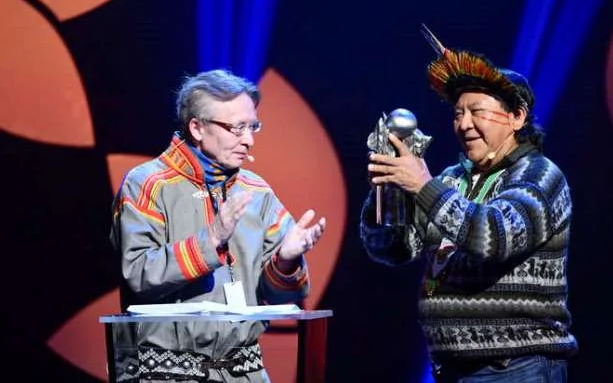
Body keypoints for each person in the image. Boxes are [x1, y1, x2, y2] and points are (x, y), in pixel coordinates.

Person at [360, 27, 577, 382]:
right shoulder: (450, 180)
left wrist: (423, 185)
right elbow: (394, 249)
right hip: (452, 370)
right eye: (457, 113)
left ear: (517, 116)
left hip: (515, 369)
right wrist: (388, 192)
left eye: (476, 111)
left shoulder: (540, 176)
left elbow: (493, 237)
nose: (464, 124)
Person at [110, 69, 326, 382]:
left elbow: (280, 296)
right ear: (197, 128)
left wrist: (286, 260)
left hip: (246, 372)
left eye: (252, 126)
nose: (249, 140)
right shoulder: (147, 184)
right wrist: (210, 239)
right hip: (167, 374)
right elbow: (138, 273)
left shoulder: (257, 191)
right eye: (237, 128)